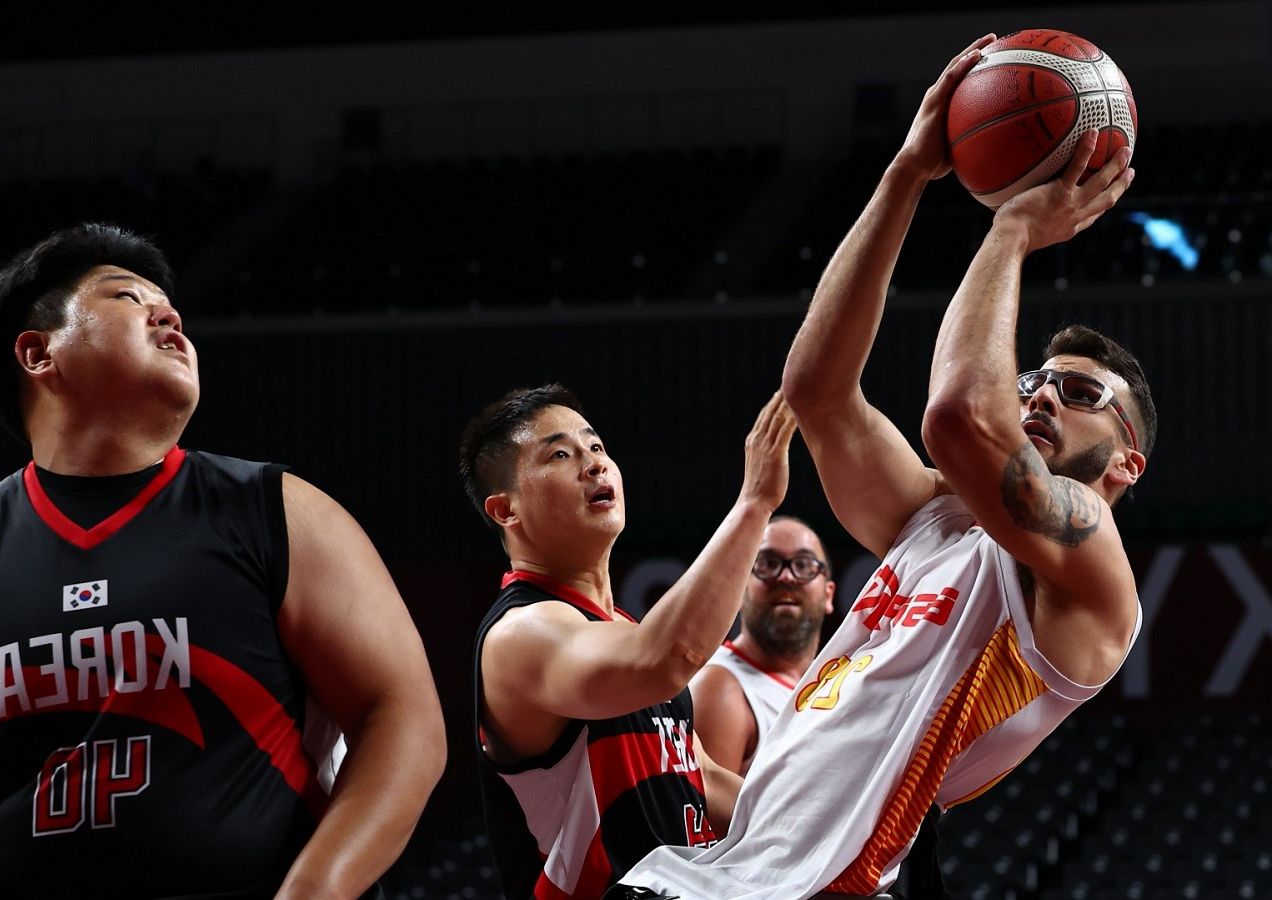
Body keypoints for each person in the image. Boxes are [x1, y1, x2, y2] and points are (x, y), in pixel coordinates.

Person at [0, 224, 446, 900]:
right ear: (37, 353)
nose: (170, 314)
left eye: (169, 305)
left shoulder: (279, 511)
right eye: (127, 297)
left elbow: (406, 719)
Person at [617, 34, 1150, 898]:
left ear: (1126, 464)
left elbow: (958, 416)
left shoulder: (1089, 566)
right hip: (711, 874)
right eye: (1035, 381)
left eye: (1080, 393)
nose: (1043, 396)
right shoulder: (932, 518)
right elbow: (818, 392)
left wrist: (1010, 234)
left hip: (828, 885)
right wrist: (906, 176)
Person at [459, 385, 797, 899]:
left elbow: (698, 775)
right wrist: (754, 504)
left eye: (596, 448)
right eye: (560, 454)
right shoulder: (520, 633)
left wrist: (819, 822)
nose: (594, 465)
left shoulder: (624, 630)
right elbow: (664, 661)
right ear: (506, 510)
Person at [688, 517, 835, 777]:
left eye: (804, 565)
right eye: (767, 564)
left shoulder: (832, 688)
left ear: (828, 594)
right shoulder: (721, 688)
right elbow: (706, 816)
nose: (787, 577)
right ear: (740, 590)